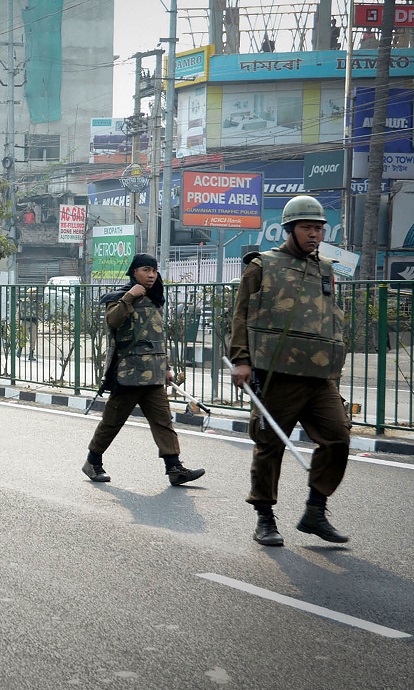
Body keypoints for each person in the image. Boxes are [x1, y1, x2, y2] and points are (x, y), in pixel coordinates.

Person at [229, 195, 350, 547]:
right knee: (270, 446)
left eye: (318, 228)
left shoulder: (326, 268)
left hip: (319, 377)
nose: (314, 234)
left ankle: (315, 511)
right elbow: (241, 315)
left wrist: (334, 368)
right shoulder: (262, 265)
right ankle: (265, 518)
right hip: (276, 372)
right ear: (290, 229)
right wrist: (241, 359)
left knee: (337, 437)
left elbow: (331, 319)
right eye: (307, 227)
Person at [82, 253, 205, 486]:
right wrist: (128, 297)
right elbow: (113, 321)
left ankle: (174, 467)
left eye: (154, 271)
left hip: (154, 374)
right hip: (129, 374)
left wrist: (166, 368)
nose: (151, 275)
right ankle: (92, 461)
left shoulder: (156, 299)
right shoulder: (118, 297)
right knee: (112, 422)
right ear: (134, 272)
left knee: (163, 421)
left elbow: (158, 337)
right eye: (146, 270)